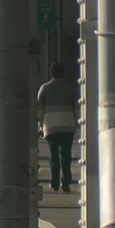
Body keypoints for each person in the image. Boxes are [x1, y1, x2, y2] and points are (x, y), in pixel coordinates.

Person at [37, 62, 78, 192]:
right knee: (65, 155)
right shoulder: (70, 87)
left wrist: (40, 125)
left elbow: (40, 108)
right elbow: (74, 106)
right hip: (67, 124)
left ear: (51, 73)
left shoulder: (45, 88)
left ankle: (54, 182)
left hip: (51, 125)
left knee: (53, 154)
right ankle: (65, 182)